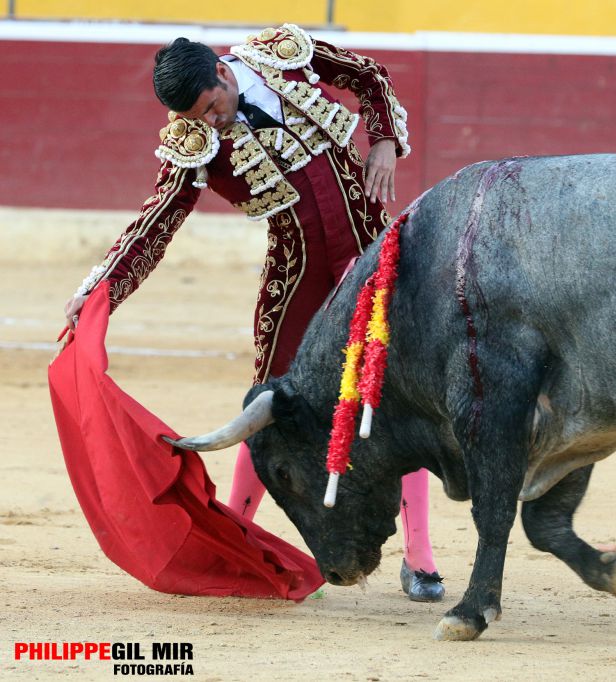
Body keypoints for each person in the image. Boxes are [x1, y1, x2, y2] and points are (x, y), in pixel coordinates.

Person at [62, 24, 443, 602]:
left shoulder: (281, 56)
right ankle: (241, 542)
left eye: (212, 107)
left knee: (394, 394)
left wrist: (385, 140)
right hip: (299, 276)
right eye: (197, 118)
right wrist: (101, 291)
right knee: (269, 409)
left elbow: (370, 77)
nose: (210, 123)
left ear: (221, 72)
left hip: (370, 254)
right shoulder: (192, 139)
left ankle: (420, 561)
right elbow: (156, 223)